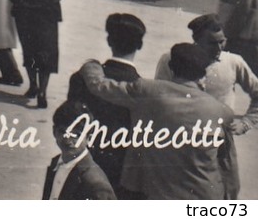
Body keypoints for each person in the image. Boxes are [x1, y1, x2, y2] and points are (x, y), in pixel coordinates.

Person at [77, 42, 233, 201]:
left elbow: (100, 85)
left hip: (152, 194)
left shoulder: (147, 91)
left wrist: (92, 65)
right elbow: (228, 167)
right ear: (202, 76)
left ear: (171, 69)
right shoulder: (221, 111)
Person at [154, 13, 258, 196]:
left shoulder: (234, 62)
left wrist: (247, 122)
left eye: (222, 41)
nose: (219, 48)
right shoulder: (172, 59)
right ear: (196, 41)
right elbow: (158, 97)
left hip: (220, 139)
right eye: (212, 43)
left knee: (228, 190)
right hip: (180, 137)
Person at [64, 12, 146, 197]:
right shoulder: (142, 88)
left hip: (83, 160)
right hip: (121, 170)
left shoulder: (80, 78)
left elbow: (69, 120)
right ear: (140, 45)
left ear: (109, 41)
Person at [1, 0, 66, 109]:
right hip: (46, 19)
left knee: (29, 51)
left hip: (25, 16)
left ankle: (32, 86)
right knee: (46, 53)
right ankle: (43, 91)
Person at [42, 99, 117, 200]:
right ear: (54, 132)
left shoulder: (96, 185)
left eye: (77, 134)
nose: (68, 140)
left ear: (89, 138)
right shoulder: (56, 162)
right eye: (62, 132)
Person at [218, 0, 258, 71]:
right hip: (248, 31)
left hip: (244, 32)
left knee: (223, 63)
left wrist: (229, 32)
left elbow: (244, 6)